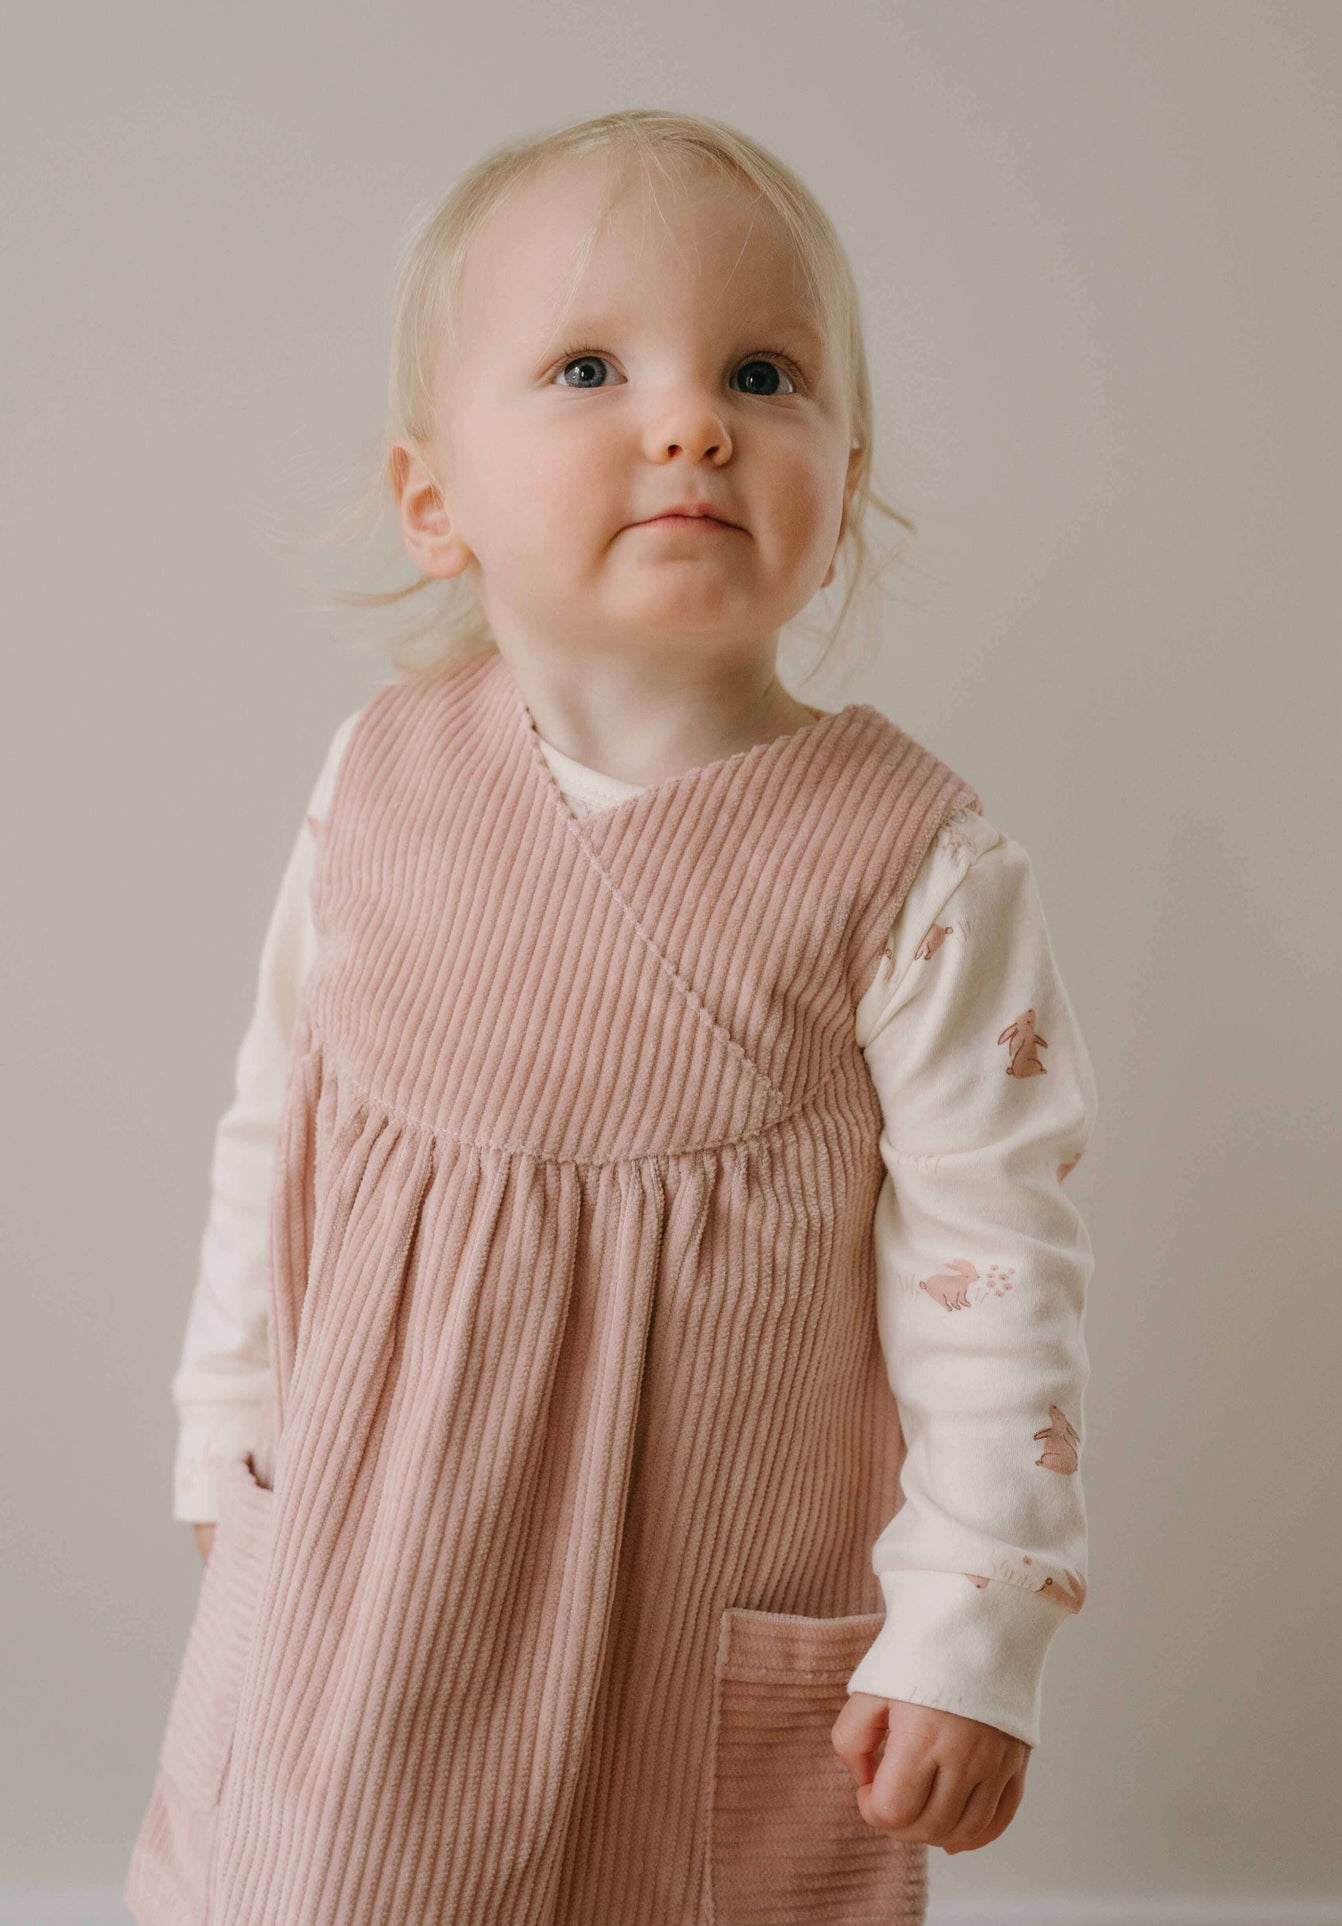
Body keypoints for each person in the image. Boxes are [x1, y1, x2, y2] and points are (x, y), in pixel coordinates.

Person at [126, 108, 1099, 1926]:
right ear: (435, 502)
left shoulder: (915, 860)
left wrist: (975, 1618)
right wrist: (227, 1419)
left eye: (763, 371)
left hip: (706, 1555)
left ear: (847, 478)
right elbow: (282, 1120)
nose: (689, 420)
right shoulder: (382, 776)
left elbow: (999, 1260)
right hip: (377, 1541)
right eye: (588, 366)